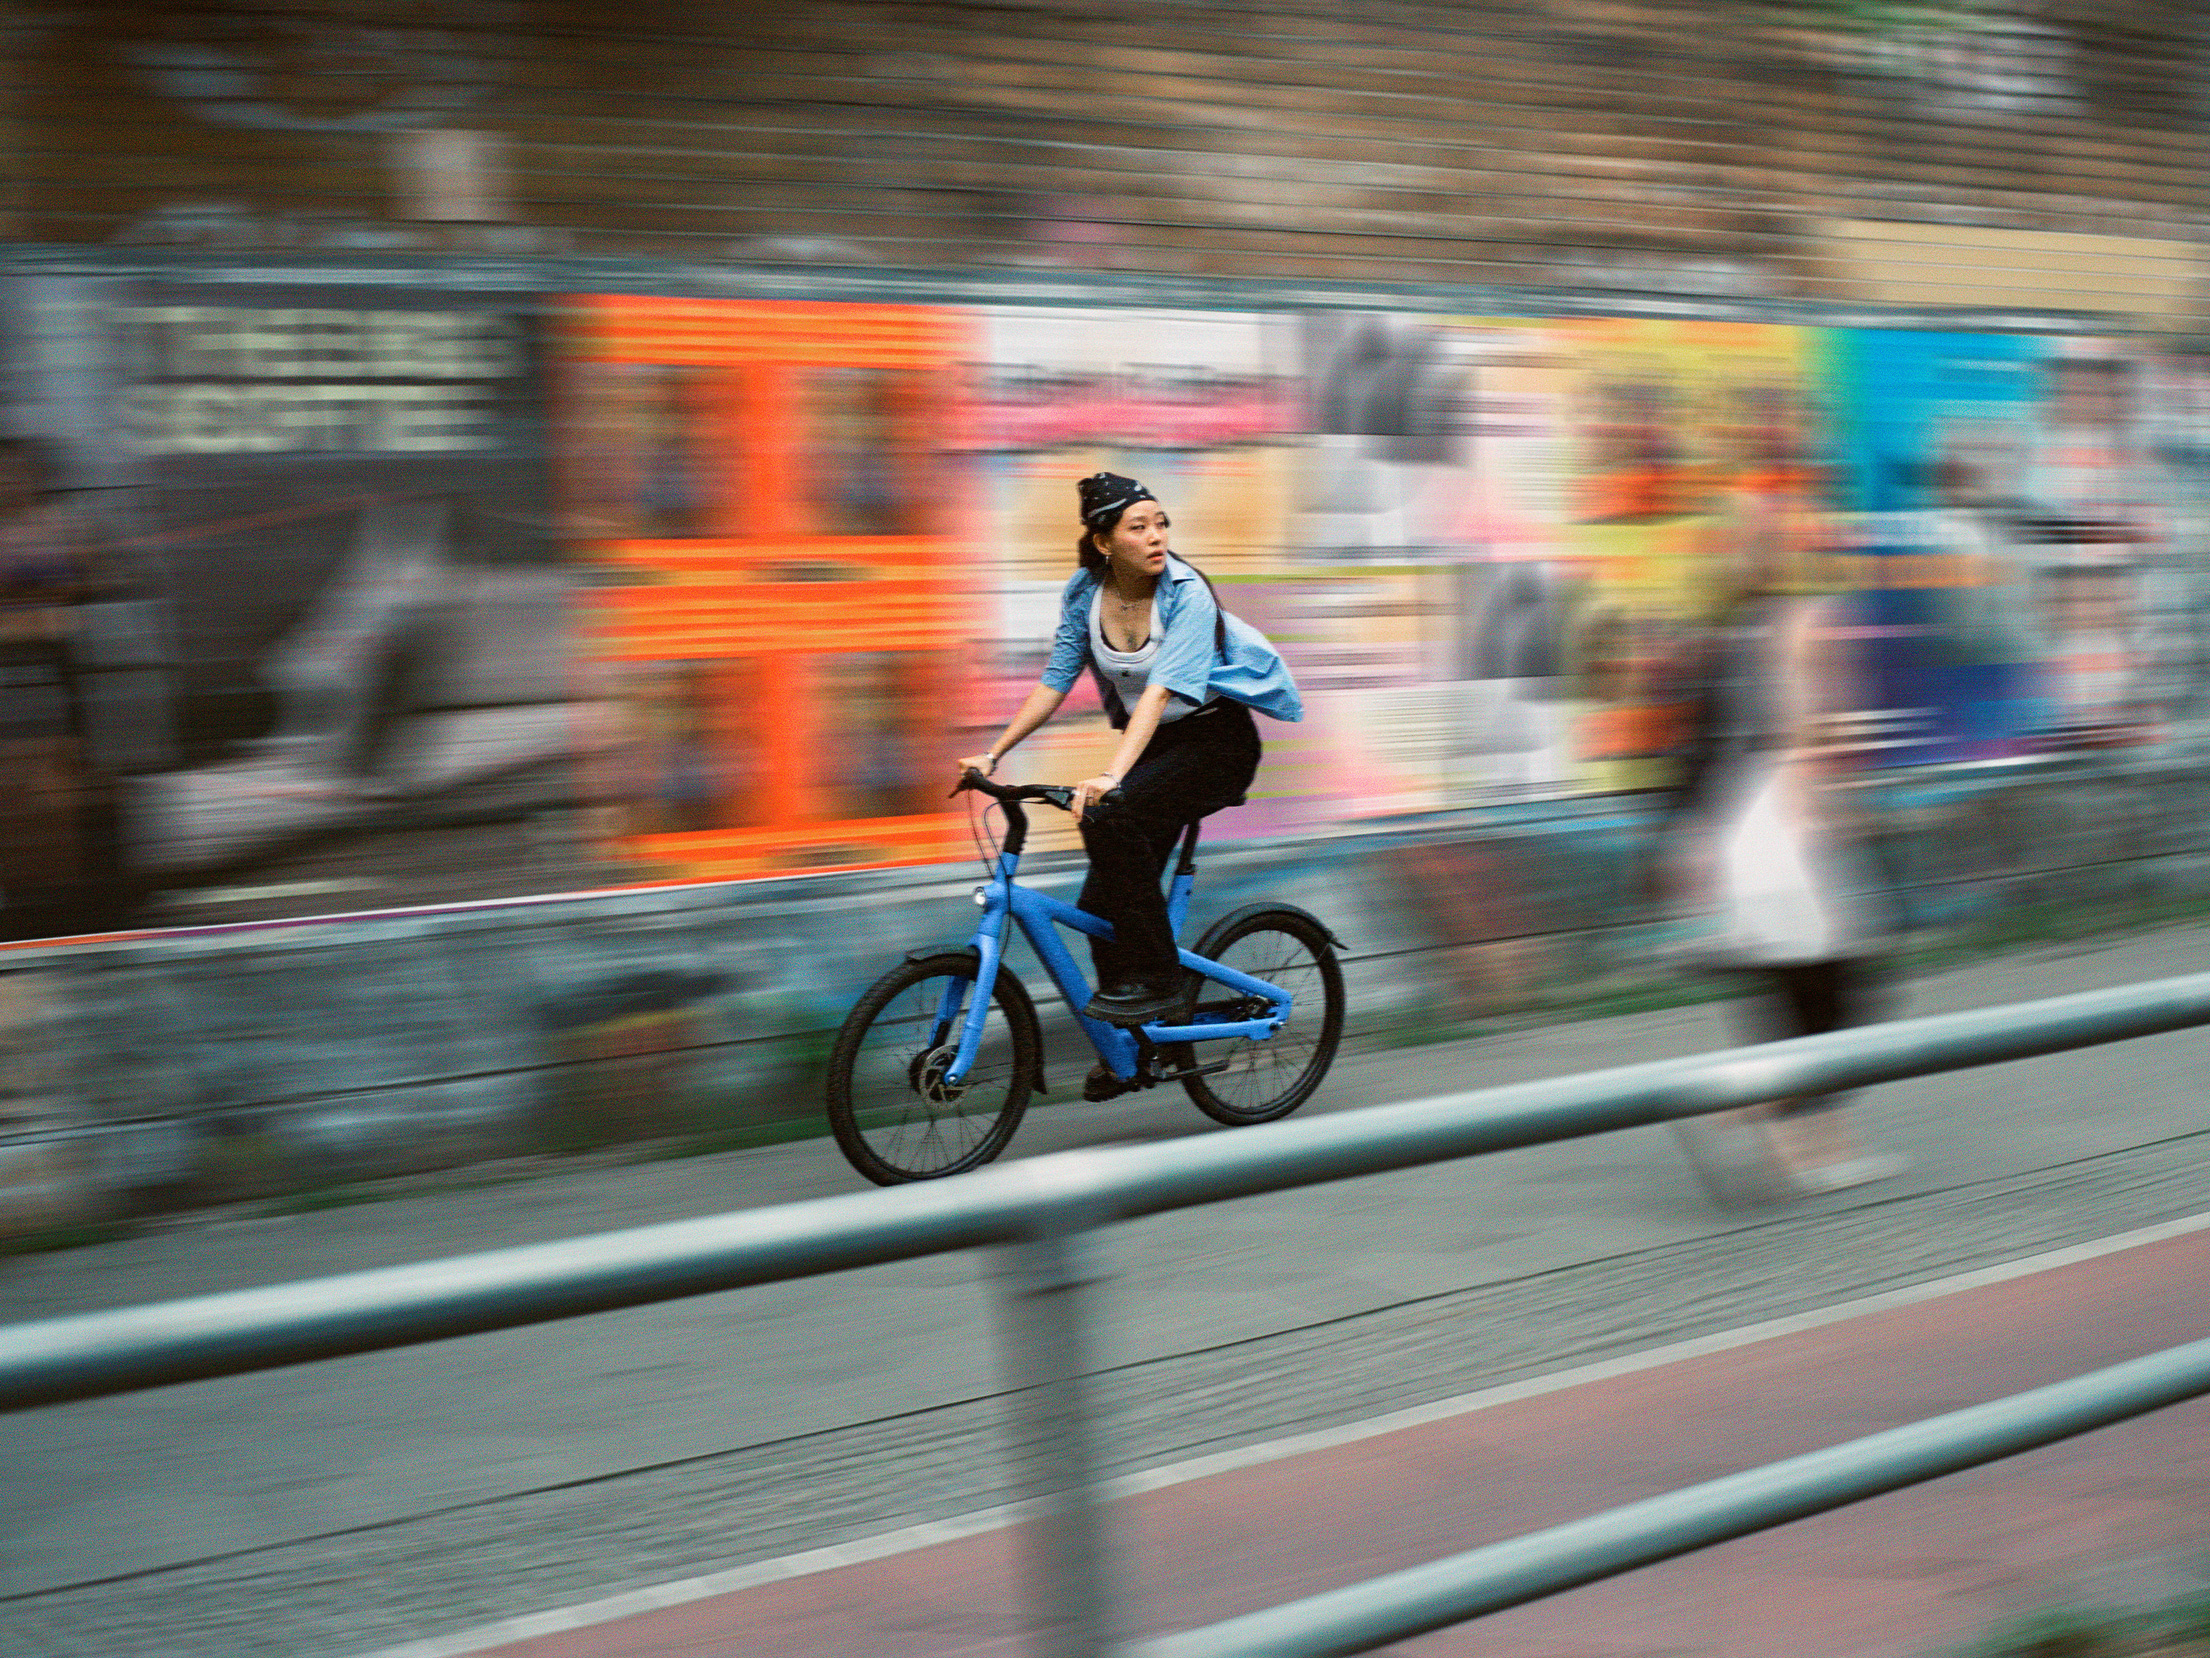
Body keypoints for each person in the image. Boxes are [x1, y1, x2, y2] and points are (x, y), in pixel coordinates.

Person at [957, 472, 1302, 1074]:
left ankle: (1161, 979)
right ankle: (1139, 1046)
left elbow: (1160, 691)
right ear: (1102, 542)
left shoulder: (1186, 595)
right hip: (1158, 745)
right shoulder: (1083, 596)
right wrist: (994, 752)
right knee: (1102, 894)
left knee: (1112, 812)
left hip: (1216, 741)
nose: (1157, 537)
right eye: (1138, 527)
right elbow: (1054, 682)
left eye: (1161, 523)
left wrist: (1113, 774)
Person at [1662, 489, 1905, 1200]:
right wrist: (1823, 808)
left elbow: (1711, 745)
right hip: (1776, 825)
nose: (1764, 544)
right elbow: (1800, 730)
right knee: (1827, 987)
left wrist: (1692, 839)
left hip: (1757, 824)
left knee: (1814, 987)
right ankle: (1775, 1120)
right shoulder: (1779, 624)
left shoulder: (1745, 629)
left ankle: (1787, 1123)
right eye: (1751, 535)